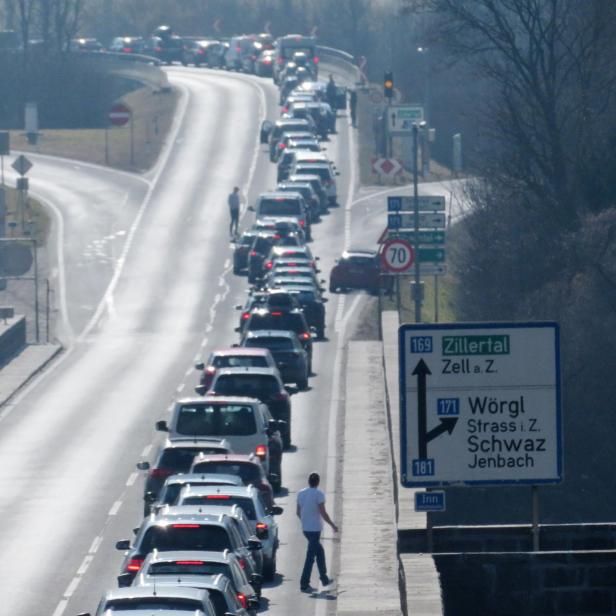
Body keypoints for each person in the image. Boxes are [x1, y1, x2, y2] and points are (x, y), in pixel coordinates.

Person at [296, 471, 338, 592]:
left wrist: (304, 521)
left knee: (319, 552)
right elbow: (323, 513)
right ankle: (304, 583)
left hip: (306, 529)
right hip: (315, 529)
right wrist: (332, 525)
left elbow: (298, 512)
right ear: (318, 482)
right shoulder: (318, 495)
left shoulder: (301, 494)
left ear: (309, 482)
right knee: (310, 557)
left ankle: (324, 578)